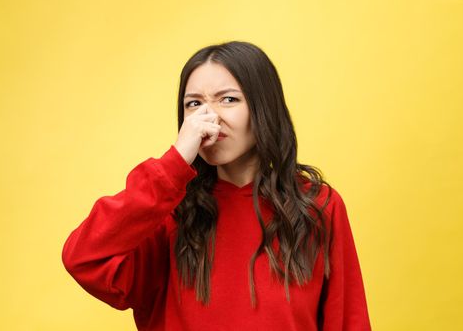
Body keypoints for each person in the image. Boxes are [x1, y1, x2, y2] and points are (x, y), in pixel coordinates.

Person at [61, 40, 372, 330]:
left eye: (229, 99)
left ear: (263, 109)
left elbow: (348, 320)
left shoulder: (318, 206)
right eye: (194, 104)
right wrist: (174, 164)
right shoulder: (167, 215)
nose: (209, 116)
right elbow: (83, 258)